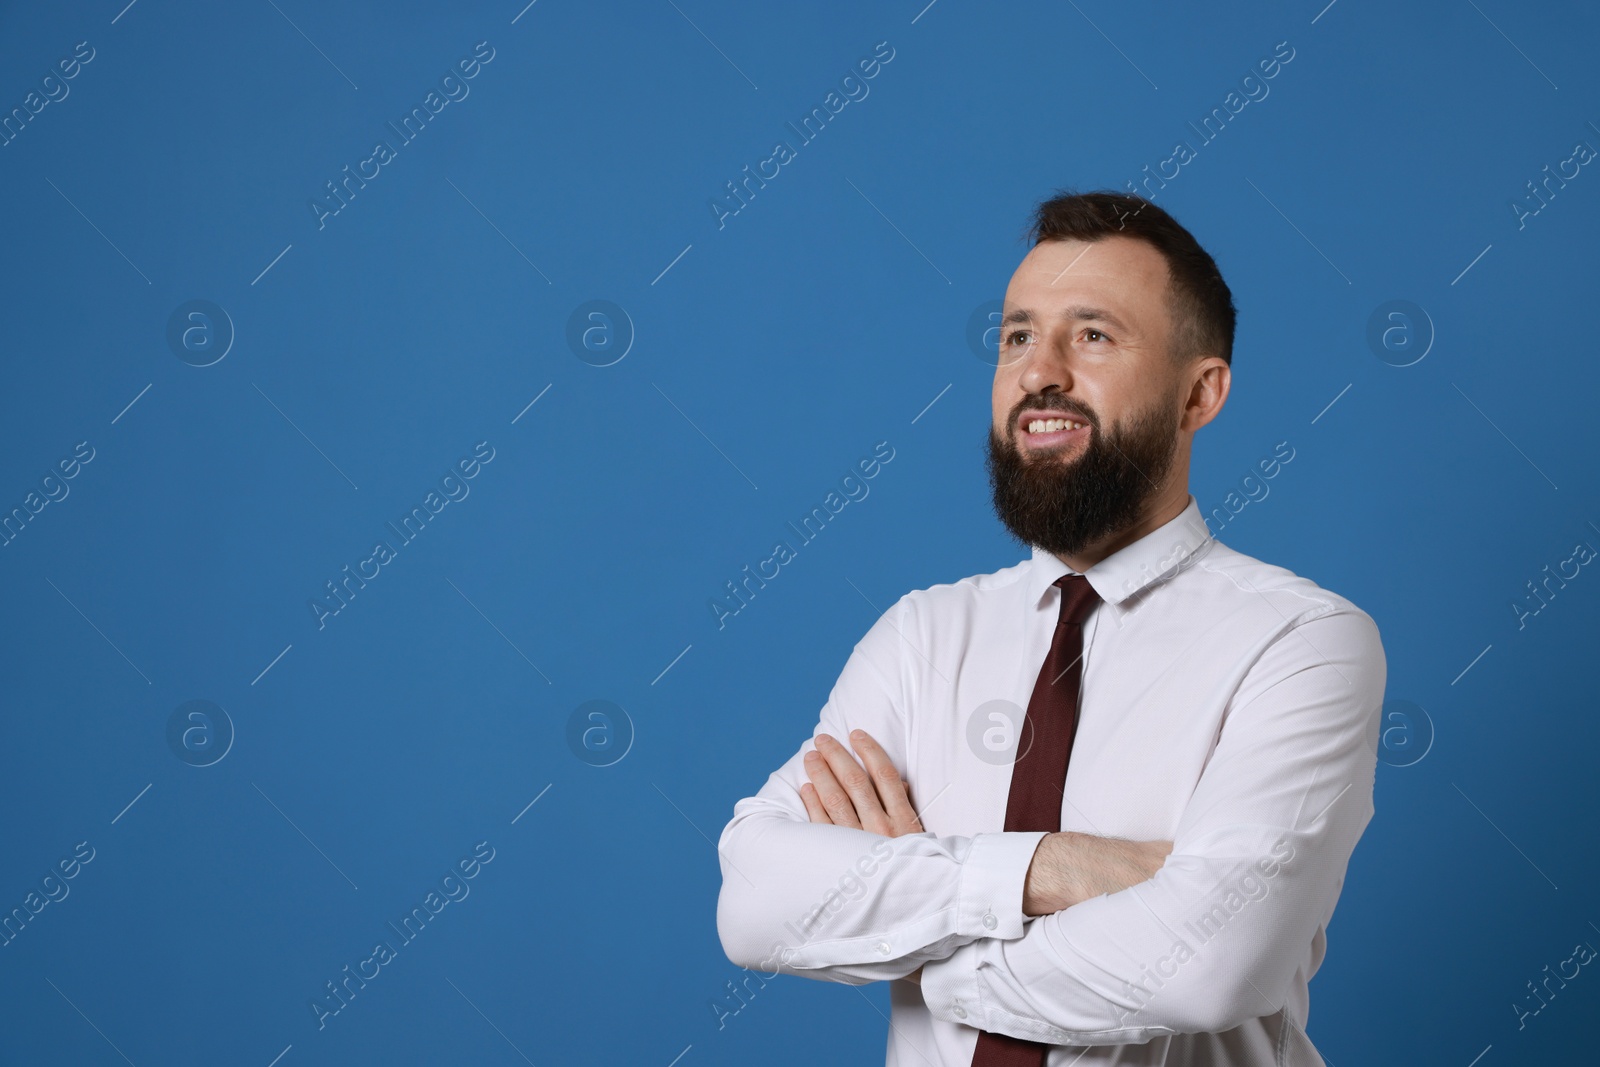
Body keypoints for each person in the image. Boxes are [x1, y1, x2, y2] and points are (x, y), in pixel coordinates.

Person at [714, 189, 1385, 1065]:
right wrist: (1051, 869)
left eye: (1093, 334)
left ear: (1200, 394)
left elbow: (1213, 963)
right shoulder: (924, 634)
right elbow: (758, 901)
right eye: (1018, 335)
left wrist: (935, 953)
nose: (1040, 372)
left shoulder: (1302, 641)